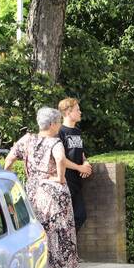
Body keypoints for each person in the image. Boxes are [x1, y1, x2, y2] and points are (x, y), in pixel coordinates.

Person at [5, 107, 79, 268]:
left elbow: (10, 157)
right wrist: (60, 178)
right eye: (59, 122)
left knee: (34, 230)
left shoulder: (27, 139)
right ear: (53, 124)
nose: (60, 126)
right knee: (53, 231)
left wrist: (7, 177)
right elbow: (60, 159)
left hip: (32, 190)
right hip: (52, 192)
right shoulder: (55, 142)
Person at [58, 98, 94, 231]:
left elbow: (80, 152)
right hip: (65, 181)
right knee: (66, 219)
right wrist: (79, 167)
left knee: (80, 216)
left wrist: (85, 162)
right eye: (77, 109)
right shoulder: (60, 132)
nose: (80, 112)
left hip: (77, 182)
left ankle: (69, 246)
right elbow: (60, 159)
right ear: (68, 112)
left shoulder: (77, 132)